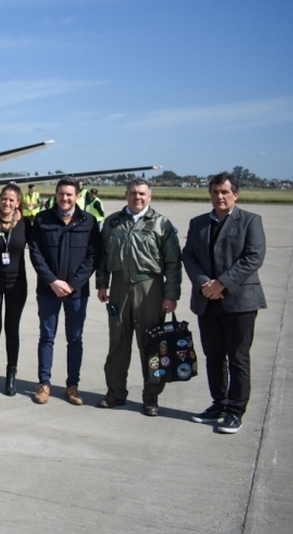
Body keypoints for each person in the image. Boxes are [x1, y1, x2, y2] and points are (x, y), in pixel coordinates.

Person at [182, 172, 266, 434]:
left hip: (239, 302)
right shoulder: (198, 224)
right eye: (216, 192)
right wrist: (205, 283)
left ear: (235, 195)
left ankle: (235, 411)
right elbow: (189, 255)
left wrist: (223, 283)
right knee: (214, 356)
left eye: (225, 192)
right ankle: (219, 404)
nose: (219, 196)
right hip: (208, 300)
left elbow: (253, 257)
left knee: (238, 358)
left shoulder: (250, 221)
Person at [95, 178, 181, 416]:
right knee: (118, 342)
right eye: (133, 193)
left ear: (150, 197)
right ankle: (116, 392)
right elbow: (101, 257)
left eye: (142, 194)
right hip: (119, 286)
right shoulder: (113, 223)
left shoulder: (161, 224)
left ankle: (151, 397)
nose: (137, 197)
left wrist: (171, 295)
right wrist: (102, 283)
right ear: (126, 195)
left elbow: (173, 263)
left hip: (150, 288)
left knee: (151, 344)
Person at [29, 177, 100, 405]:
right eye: (61, 194)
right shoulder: (42, 220)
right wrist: (52, 281)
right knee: (47, 337)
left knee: (75, 339)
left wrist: (72, 284)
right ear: (56, 195)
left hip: (76, 293)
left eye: (70, 194)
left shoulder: (88, 222)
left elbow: (92, 257)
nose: (65, 198)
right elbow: (36, 254)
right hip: (48, 290)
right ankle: (44, 384)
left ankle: (72, 386)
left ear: (77, 196)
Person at [0, 183, 30, 396]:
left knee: (12, 329)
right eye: (4, 199)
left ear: (18, 202)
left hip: (17, 283)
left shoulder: (26, 224)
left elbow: (40, 249)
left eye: (11, 200)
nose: (7, 203)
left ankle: (11, 375)